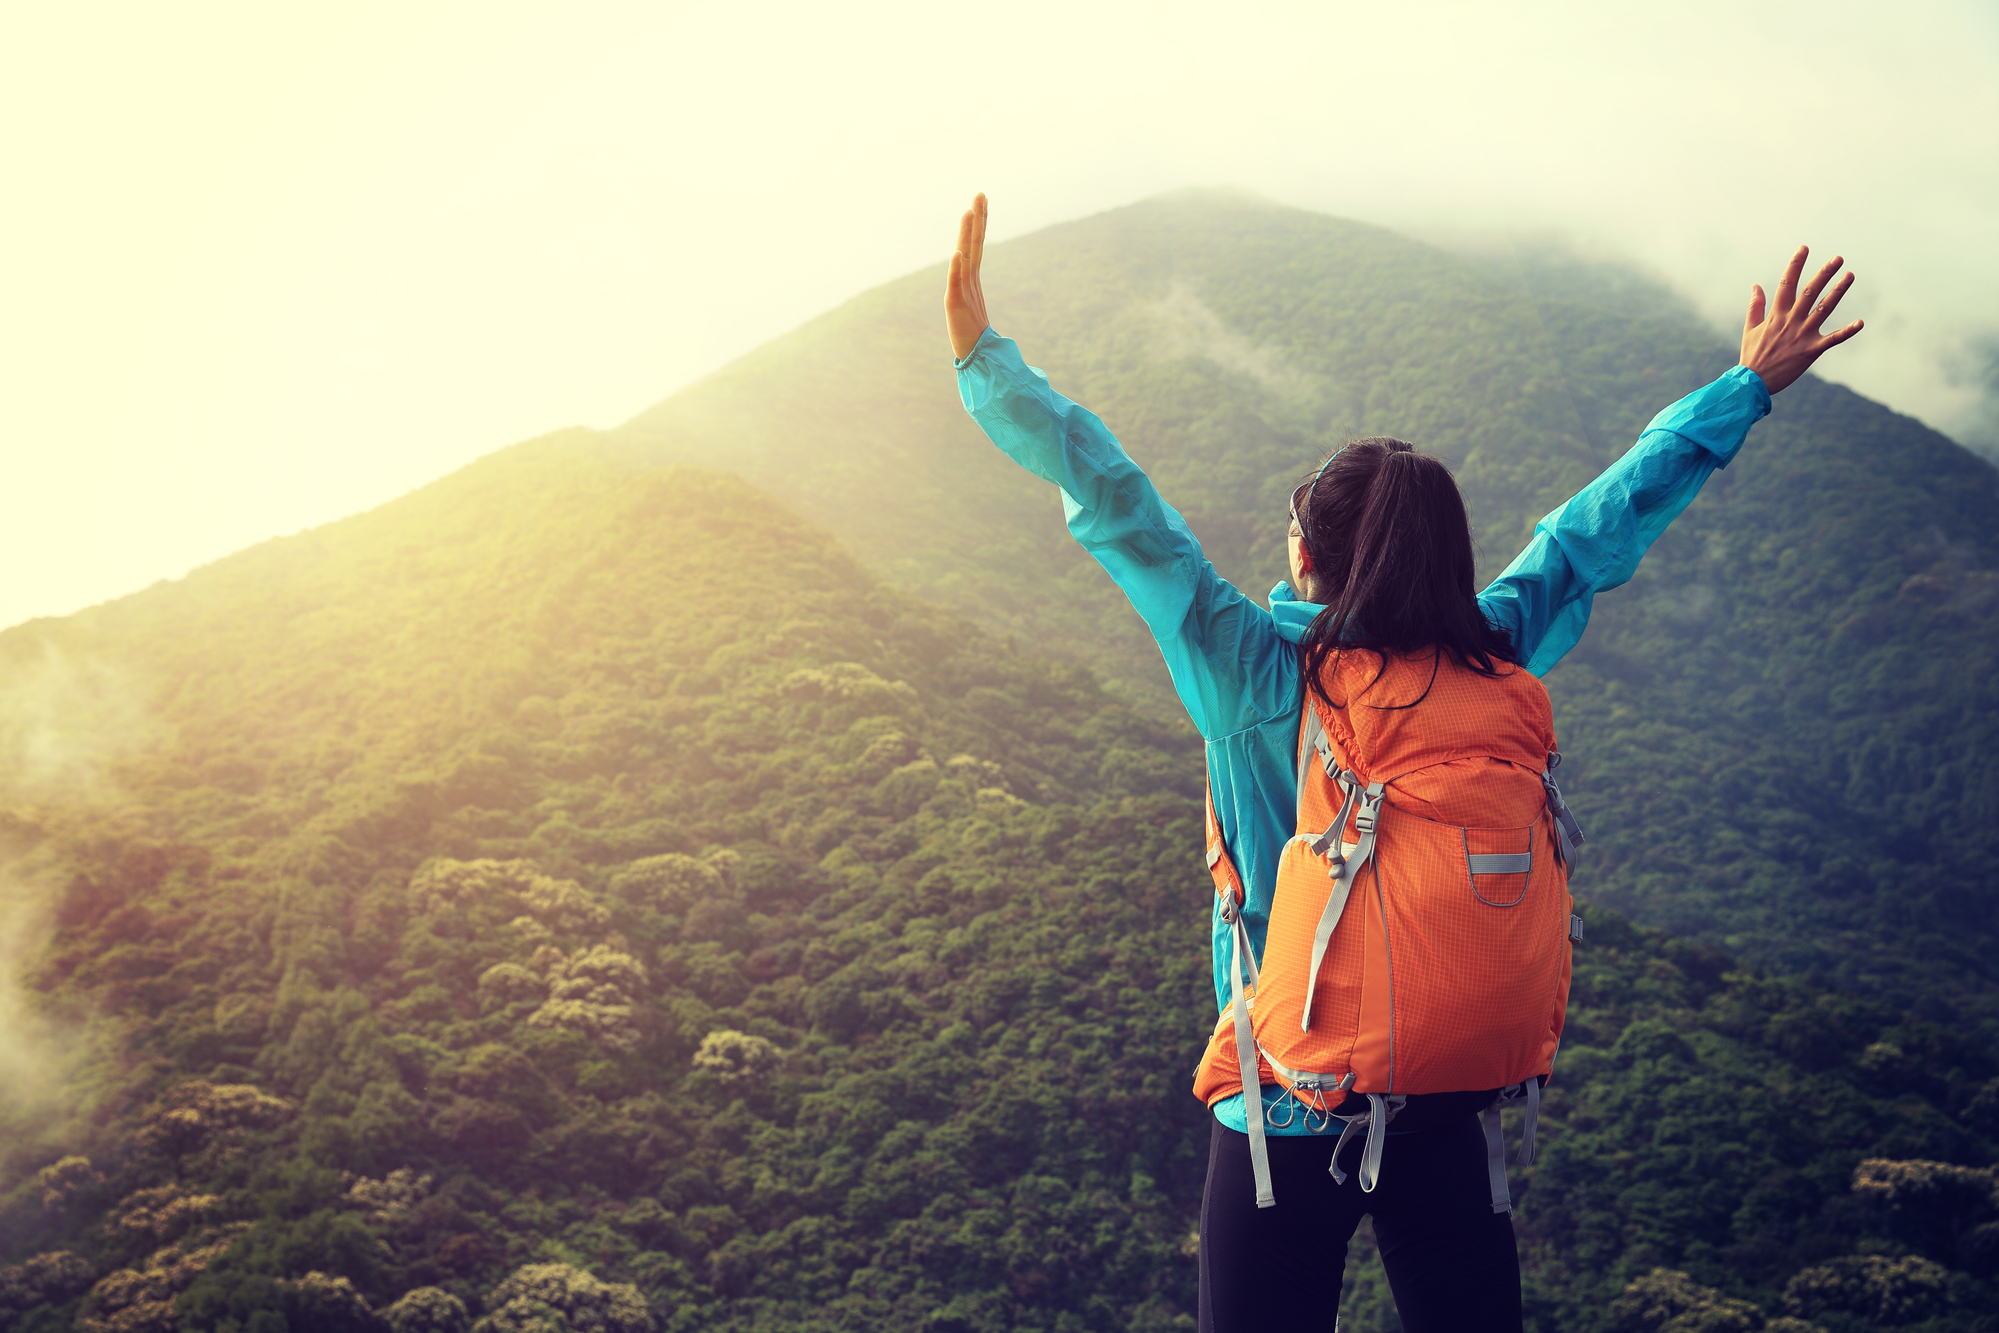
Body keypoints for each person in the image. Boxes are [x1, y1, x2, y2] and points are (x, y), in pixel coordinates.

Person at [944, 193, 1862, 1331]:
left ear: (1305, 551)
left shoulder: (1248, 668)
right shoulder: (1488, 646)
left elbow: (1119, 503)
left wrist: (987, 364)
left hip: (1284, 1106)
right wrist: (1745, 388)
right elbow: (1589, 533)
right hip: (1444, 1103)